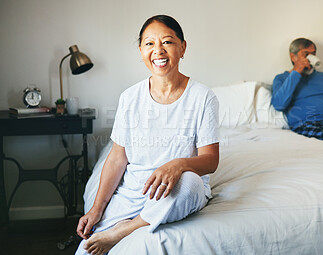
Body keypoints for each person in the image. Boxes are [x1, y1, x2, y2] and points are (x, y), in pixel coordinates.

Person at [75, 15, 220, 255]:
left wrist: (177, 165)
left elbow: (210, 161)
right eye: (149, 43)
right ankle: (129, 222)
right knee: (85, 251)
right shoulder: (130, 98)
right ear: (141, 50)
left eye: (168, 42)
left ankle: (126, 230)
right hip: (134, 192)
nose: (158, 50)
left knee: (191, 182)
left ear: (182, 47)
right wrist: (95, 209)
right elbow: (116, 159)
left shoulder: (203, 97)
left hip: (176, 190)